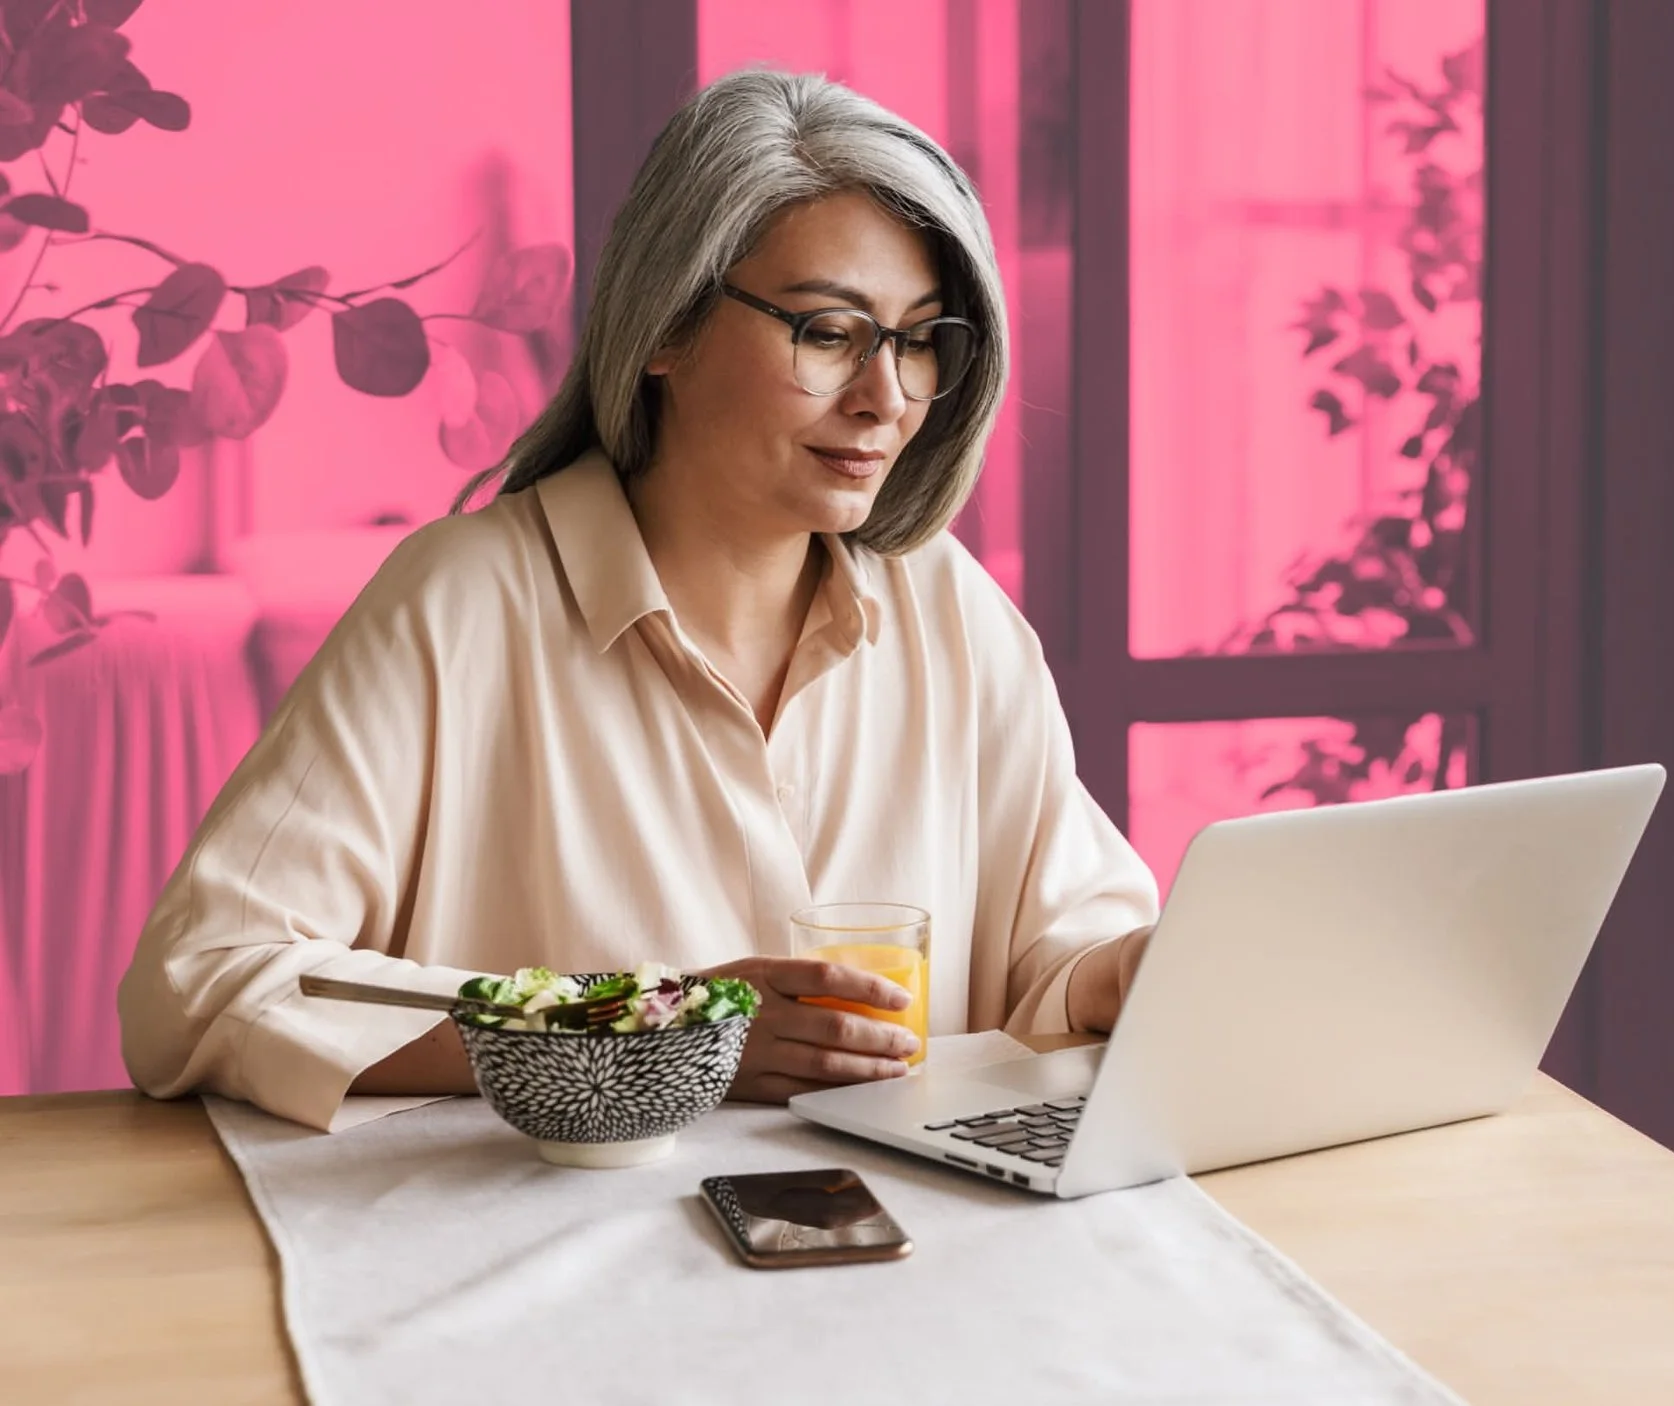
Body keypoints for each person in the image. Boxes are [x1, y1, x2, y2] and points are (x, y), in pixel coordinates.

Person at [117, 68, 1157, 1132]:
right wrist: (645, 1032)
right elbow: (204, 980)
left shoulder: (952, 612)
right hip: (550, 1267)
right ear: (668, 326)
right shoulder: (461, 603)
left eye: (919, 338)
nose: (885, 396)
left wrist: (1126, 972)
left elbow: (1059, 953)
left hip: (902, 1253)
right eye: (828, 331)